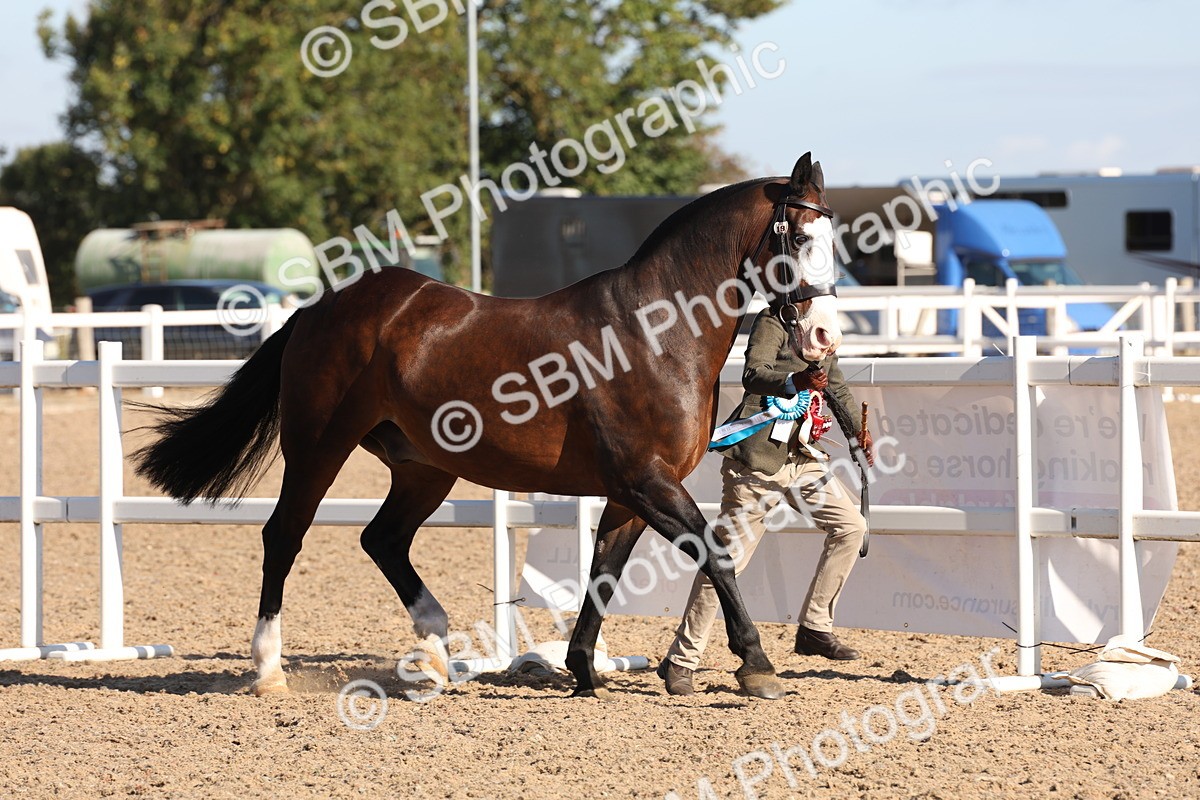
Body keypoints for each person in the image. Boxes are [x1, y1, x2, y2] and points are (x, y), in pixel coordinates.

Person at [657, 305, 874, 696]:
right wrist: (797, 379)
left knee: (851, 526)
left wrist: (858, 436)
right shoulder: (774, 320)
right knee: (725, 564)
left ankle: (815, 628)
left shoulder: (824, 324)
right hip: (757, 464)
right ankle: (682, 659)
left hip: (802, 458)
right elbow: (753, 375)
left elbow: (836, 385)